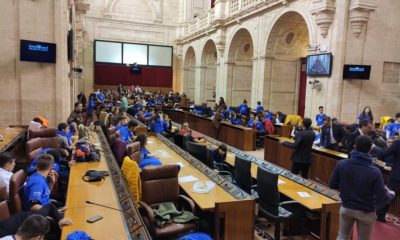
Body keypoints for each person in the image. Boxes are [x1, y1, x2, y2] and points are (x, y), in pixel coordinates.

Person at [329, 136, 394, 240]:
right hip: (366, 211)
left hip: (346, 207)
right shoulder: (374, 171)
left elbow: (332, 185)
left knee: (342, 236)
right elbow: (382, 197)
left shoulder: (342, 164)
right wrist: (390, 194)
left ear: (354, 146)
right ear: (370, 149)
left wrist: (346, 188)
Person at [375, 136, 400, 222]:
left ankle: (379, 214)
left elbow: (386, 153)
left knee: (390, 194)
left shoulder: (397, 143)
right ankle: (380, 214)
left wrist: (376, 150)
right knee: (393, 196)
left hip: (397, 175)